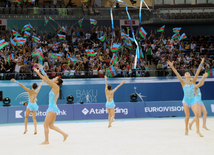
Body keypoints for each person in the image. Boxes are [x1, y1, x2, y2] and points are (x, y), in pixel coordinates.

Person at [167, 58, 204, 137]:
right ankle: (186, 128)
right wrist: (172, 67)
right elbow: (177, 74)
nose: (187, 73)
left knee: (197, 114)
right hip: (186, 100)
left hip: (193, 100)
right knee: (187, 116)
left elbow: (197, 72)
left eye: (188, 73)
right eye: (186, 73)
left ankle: (198, 131)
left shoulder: (193, 81)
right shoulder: (183, 82)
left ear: (190, 75)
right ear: (184, 76)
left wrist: (201, 63)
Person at [34, 64, 68, 145]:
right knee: (51, 126)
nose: (54, 78)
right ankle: (64, 134)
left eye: (55, 78)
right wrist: (38, 72)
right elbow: (44, 79)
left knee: (45, 125)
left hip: (52, 108)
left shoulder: (56, 87)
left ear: (56, 81)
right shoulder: (54, 86)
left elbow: (47, 79)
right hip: (53, 107)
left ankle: (46, 141)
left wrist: (42, 69)